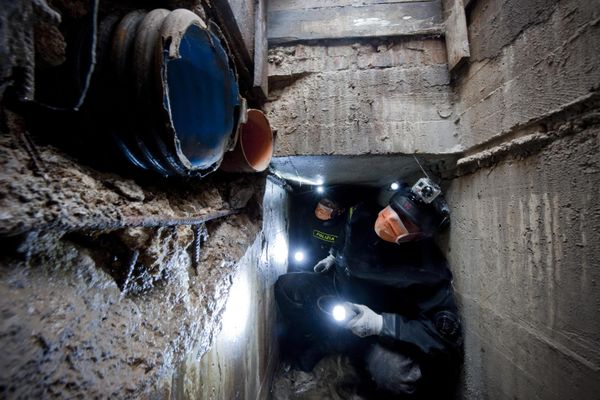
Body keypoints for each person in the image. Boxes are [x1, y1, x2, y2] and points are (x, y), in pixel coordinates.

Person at [274, 182, 462, 398]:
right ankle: (327, 340)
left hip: (376, 321)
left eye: (405, 222)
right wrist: (334, 257)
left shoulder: (427, 273)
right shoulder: (363, 215)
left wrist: (381, 324)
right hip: (341, 291)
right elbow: (348, 236)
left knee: (395, 374)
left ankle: (359, 366)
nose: (390, 219)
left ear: (419, 236)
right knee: (288, 287)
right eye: (393, 210)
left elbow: (445, 341)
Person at [289, 197, 346, 271]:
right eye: (323, 202)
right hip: (308, 260)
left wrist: (333, 258)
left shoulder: (344, 227)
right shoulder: (308, 218)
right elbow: (301, 237)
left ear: (339, 211)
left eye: (330, 205)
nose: (324, 206)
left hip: (331, 265)